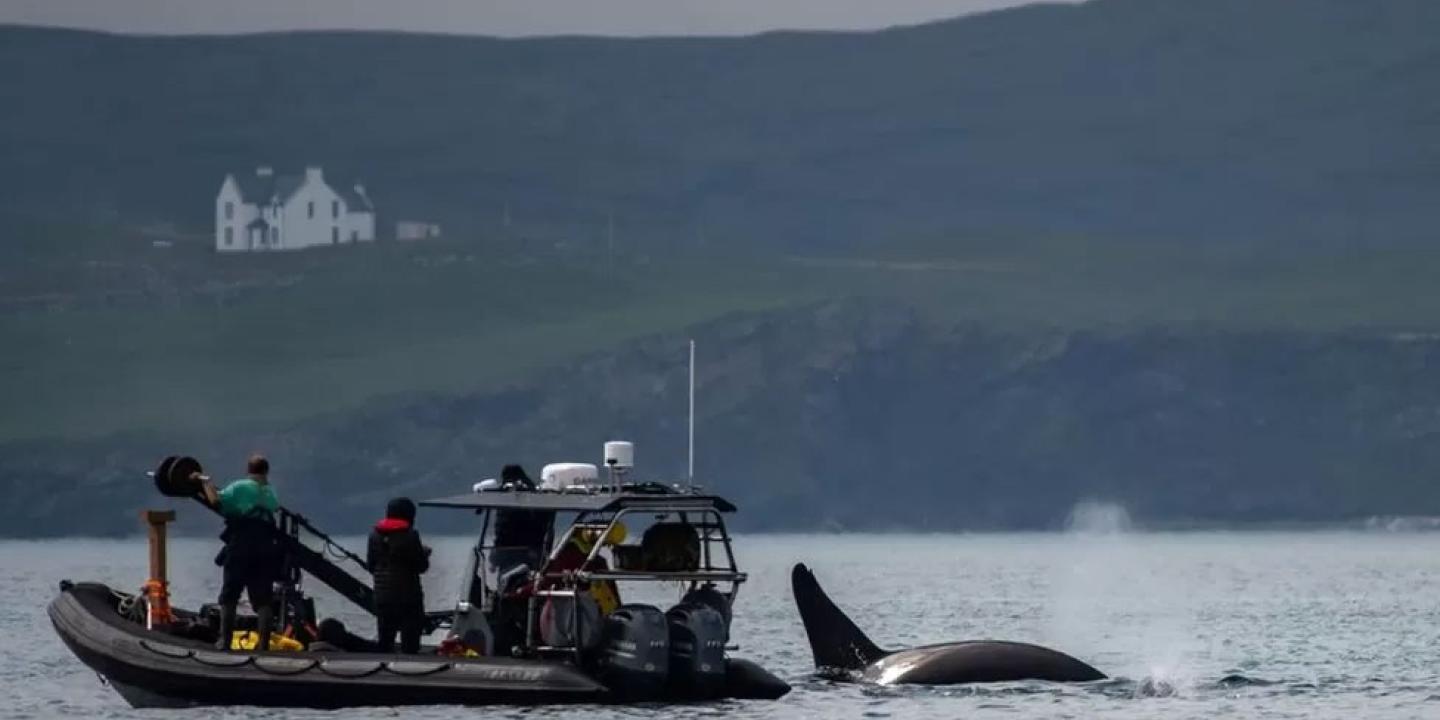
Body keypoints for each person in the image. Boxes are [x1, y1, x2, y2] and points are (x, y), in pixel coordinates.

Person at [201, 454, 281, 651]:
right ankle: (264, 646)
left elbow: (215, 501)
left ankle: (225, 641)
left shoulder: (239, 487)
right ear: (266, 471)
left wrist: (206, 482)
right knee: (263, 600)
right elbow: (274, 509)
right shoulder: (271, 493)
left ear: (248, 470)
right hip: (265, 548)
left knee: (230, 595)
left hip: (241, 546)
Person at [367, 497, 431, 654]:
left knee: (385, 641)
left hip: (382, 598)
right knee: (410, 644)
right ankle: (409, 672)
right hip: (409, 598)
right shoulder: (410, 535)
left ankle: (382, 670)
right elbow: (421, 566)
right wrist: (425, 553)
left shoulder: (374, 535)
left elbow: (371, 566)